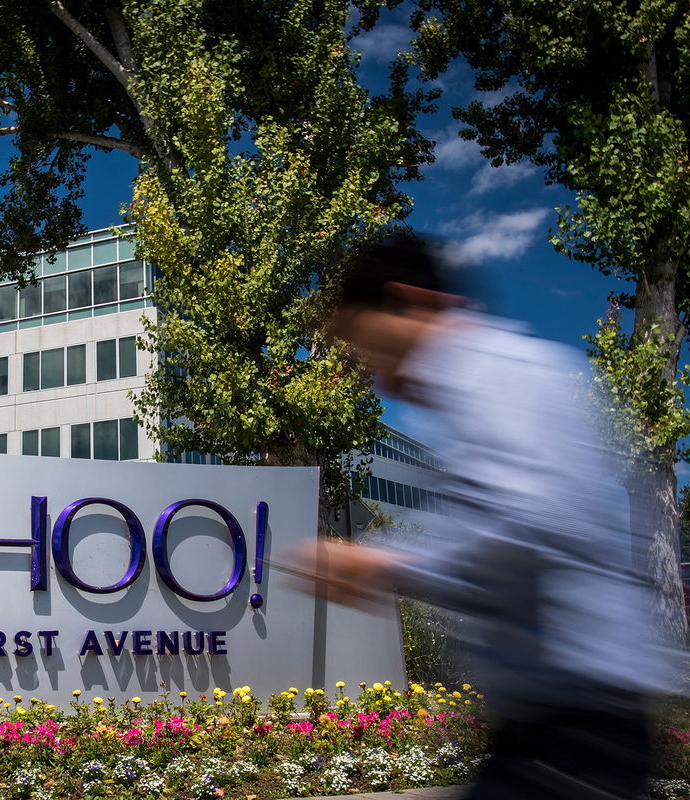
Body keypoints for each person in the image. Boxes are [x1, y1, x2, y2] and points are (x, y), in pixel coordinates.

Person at [286, 233, 667, 799]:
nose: (361, 362)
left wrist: (384, 564)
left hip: (580, 723)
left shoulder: (499, 376)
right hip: (551, 727)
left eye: (359, 339)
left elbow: (533, 525)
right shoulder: (481, 388)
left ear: (403, 302)